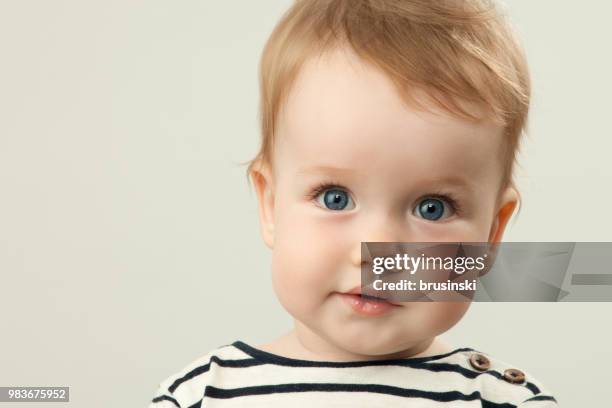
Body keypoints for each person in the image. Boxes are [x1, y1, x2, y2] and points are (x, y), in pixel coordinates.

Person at [149, 0, 557, 406]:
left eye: (432, 207)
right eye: (335, 198)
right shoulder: (202, 395)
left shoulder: (503, 400)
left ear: (490, 235)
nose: (377, 248)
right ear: (271, 205)